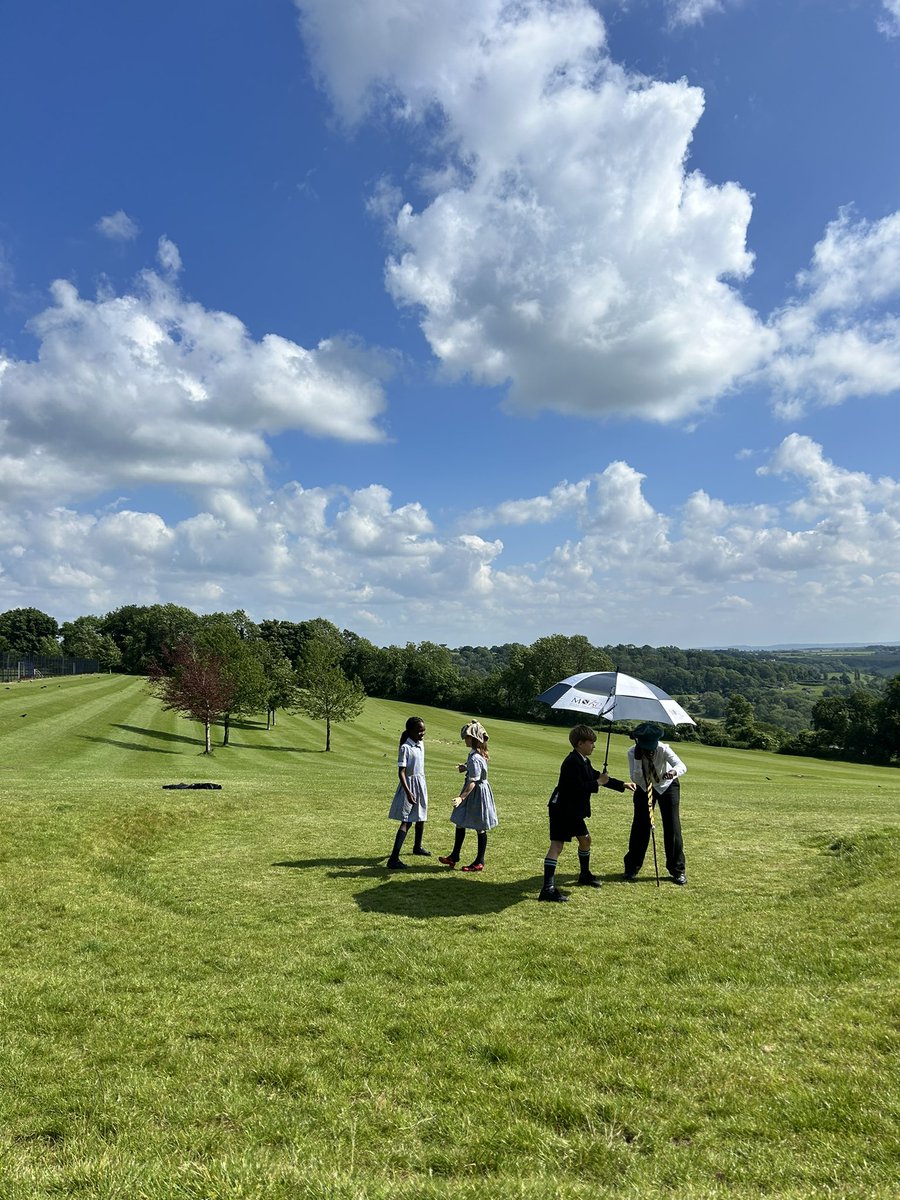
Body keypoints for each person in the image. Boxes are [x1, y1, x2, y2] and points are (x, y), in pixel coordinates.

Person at [539, 724, 635, 902]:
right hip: (561, 809)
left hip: (572, 810)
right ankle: (547, 889)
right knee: (557, 846)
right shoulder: (571, 762)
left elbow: (596, 775)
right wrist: (598, 783)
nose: (594, 746)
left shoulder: (583, 760)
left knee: (585, 840)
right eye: (591, 742)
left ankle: (584, 875)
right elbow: (576, 788)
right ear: (580, 743)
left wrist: (621, 784)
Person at [623, 722, 687, 885]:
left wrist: (673, 772)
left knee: (672, 827)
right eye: (647, 747)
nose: (650, 751)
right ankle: (632, 868)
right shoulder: (632, 752)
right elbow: (635, 778)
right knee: (640, 826)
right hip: (644, 787)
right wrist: (638, 761)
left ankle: (677, 870)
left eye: (652, 747)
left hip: (667, 786)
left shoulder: (663, 748)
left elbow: (681, 766)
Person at [438, 720, 498, 872]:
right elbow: (475, 769)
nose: (464, 739)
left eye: (467, 737)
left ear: (474, 739)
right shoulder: (476, 755)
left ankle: (479, 861)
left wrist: (461, 798)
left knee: (480, 826)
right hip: (473, 791)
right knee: (460, 820)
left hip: (476, 793)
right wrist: (465, 767)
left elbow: (473, 781)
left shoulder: (475, 757)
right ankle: (454, 856)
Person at [386, 717, 430, 869]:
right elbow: (401, 772)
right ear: (410, 731)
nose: (422, 733)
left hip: (420, 784)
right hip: (409, 786)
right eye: (419, 731)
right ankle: (393, 858)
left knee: (421, 817)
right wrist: (408, 792)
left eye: (423, 730)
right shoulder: (406, 748)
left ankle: (417, 847)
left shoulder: (420, 744)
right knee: (407, 821)